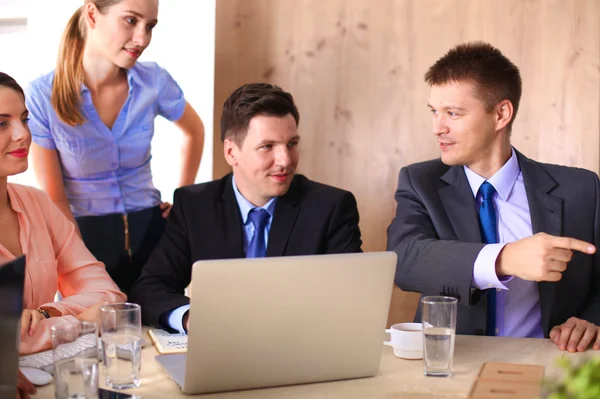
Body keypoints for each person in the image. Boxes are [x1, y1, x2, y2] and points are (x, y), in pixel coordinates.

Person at [387, 41, 600, 352]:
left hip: (550, 369)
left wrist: (592, 320)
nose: (437, 127)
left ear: (501, 114)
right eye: (434, 112)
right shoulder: (420, 181)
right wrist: (505, 259)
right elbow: (404, 260)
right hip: (450, 368)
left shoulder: (581, 189)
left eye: (453, 113)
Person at [130, 83, 363, 332]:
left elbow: (353, 298)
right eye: (267, 147)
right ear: (231, 152)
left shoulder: (331, 207)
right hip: (223, 354)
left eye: (292, 144)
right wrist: (191, 318)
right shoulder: (194, 206)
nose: (285, 160)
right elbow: (150, 288)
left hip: (302, 348)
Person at [25, 0, 205, 294]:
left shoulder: (154, 81)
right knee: (96, 332)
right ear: (93, 14)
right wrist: (79, 261)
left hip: (152, 229)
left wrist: (181, 199)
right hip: (83, 236)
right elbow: (55, 199)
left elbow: (194, 131)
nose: (142, 39)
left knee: (162, 330)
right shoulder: (42, 95)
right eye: (131, 21)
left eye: (150, 26)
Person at [0, 72, 126, 355]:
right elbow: (7, 338)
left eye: (24, 119)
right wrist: (78, 323)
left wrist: (47, 314)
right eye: (1, 123)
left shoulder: (38, 204)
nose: (23, 134)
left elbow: (108, 296)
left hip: (51, 373)